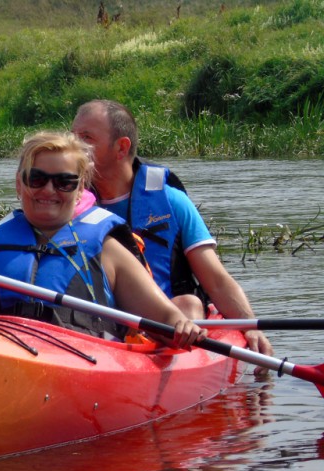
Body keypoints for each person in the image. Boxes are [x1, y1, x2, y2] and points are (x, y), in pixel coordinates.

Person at [0, 130, 206, 349]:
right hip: (0, 360)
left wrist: (183, 327)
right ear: (19, 184)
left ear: (81, 189)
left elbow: (164, 320)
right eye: (37, 179)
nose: (48, 191)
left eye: (64, 182)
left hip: (84, 364)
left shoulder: (107, 249)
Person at [71, 99, 273, 358]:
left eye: (86, 138)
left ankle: (168, 363)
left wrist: (249, 327)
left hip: (167, 325)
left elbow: (217, 281)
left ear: (121, 148)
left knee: (188, 303)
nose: (74, 147)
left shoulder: (172, 201)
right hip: (100, 323)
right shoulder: (67, 203)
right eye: (72, 136)